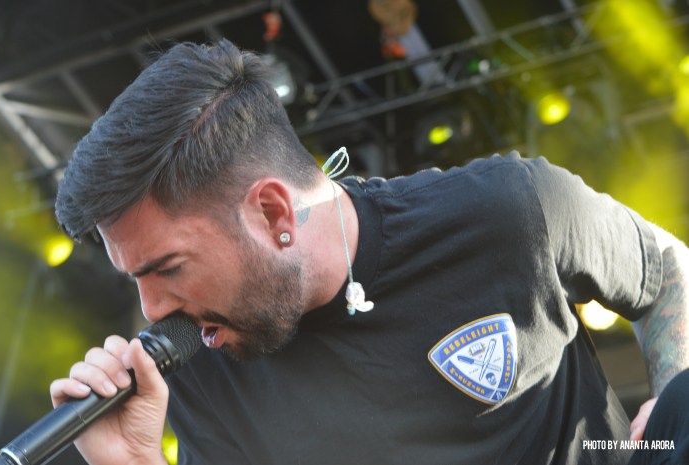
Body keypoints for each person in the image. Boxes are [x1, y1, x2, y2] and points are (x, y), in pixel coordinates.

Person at [49, 39, 689, 465]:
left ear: (273, 214)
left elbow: (665, 271)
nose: (152, 309)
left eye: (167, 268)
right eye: (134, 278)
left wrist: (672, 407)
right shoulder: (202, 365)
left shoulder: (507, 212)